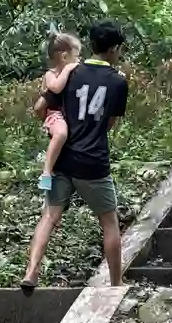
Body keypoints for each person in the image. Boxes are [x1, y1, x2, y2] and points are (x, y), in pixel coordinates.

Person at [22, 19, 128, 291]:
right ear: (114, 49)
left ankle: (31, 272)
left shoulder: (70, 72)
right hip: (94, 163)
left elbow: (43, 105)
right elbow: (109, 124)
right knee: (109, 222)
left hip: (63, 160)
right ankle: (116, 284)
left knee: (49, 217)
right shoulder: (118, 82)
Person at [34, 31, 81, 191]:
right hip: (54, 115)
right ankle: (46, 172)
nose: (79, 60)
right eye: (77, 55)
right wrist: (67, 70)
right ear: (65, 57)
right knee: (61, 134)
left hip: (68, 114)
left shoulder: (75, 71)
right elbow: (55, 88)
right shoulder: (51, 74)